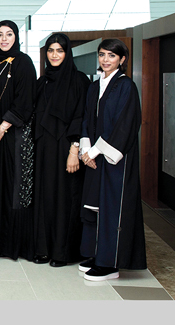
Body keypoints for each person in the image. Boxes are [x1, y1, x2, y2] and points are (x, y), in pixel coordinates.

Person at [79, 38, 146, 281]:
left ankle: (110, 263)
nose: (105, 60)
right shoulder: (95, 86)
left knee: (112, 208)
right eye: (102, 55)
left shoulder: (126, 86)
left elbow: (124, 125)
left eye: (111, 55)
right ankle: (96, 254)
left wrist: (95, 151)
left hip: (114, 159)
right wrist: (85, 149)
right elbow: (87, 118)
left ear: (122, 59)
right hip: (94, 156)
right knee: (95, 205)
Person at [0, 20, 37, 261]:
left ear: (16, 37)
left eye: (9, 34)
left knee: (11, 189)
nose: (4, 39)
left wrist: (2, 127)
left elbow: (25, 100)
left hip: (13, 137)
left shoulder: (24, 63)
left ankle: (10, 245)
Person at [32, 33, 90, 267]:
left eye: (59, 50)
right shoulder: (42, 82)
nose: (54, 55)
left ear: (67, 53)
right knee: (44, 197)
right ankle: (44, 249)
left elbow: (82, 117)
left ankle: (62, 252)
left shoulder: (79, 81)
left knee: (65, 199)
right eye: (50, 50)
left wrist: (74, 150)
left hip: (67, 148)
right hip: (43, 148)